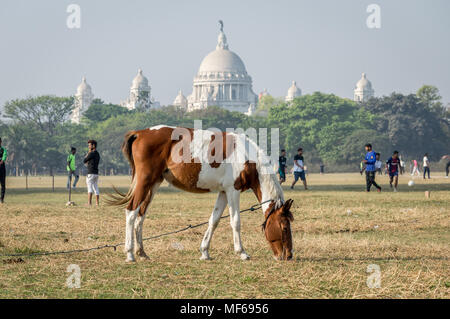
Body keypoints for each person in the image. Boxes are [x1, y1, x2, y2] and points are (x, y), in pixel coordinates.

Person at [83, 140, 101, 206]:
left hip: (90, 172)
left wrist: (89, 152)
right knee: (96, 187)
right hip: (96, 173)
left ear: (93, 145)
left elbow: (84, 160)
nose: (88, 146)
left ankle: (89, 203)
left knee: (89, 187)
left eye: (89, 145)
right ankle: (97, 203)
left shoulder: (91, 153)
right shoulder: (98, 153)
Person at [0, 137, 7, 203]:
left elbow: (4, 156)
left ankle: (1, 199)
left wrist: (2, 161)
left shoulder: (3, 149)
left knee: (3, 185)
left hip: (2, 168)